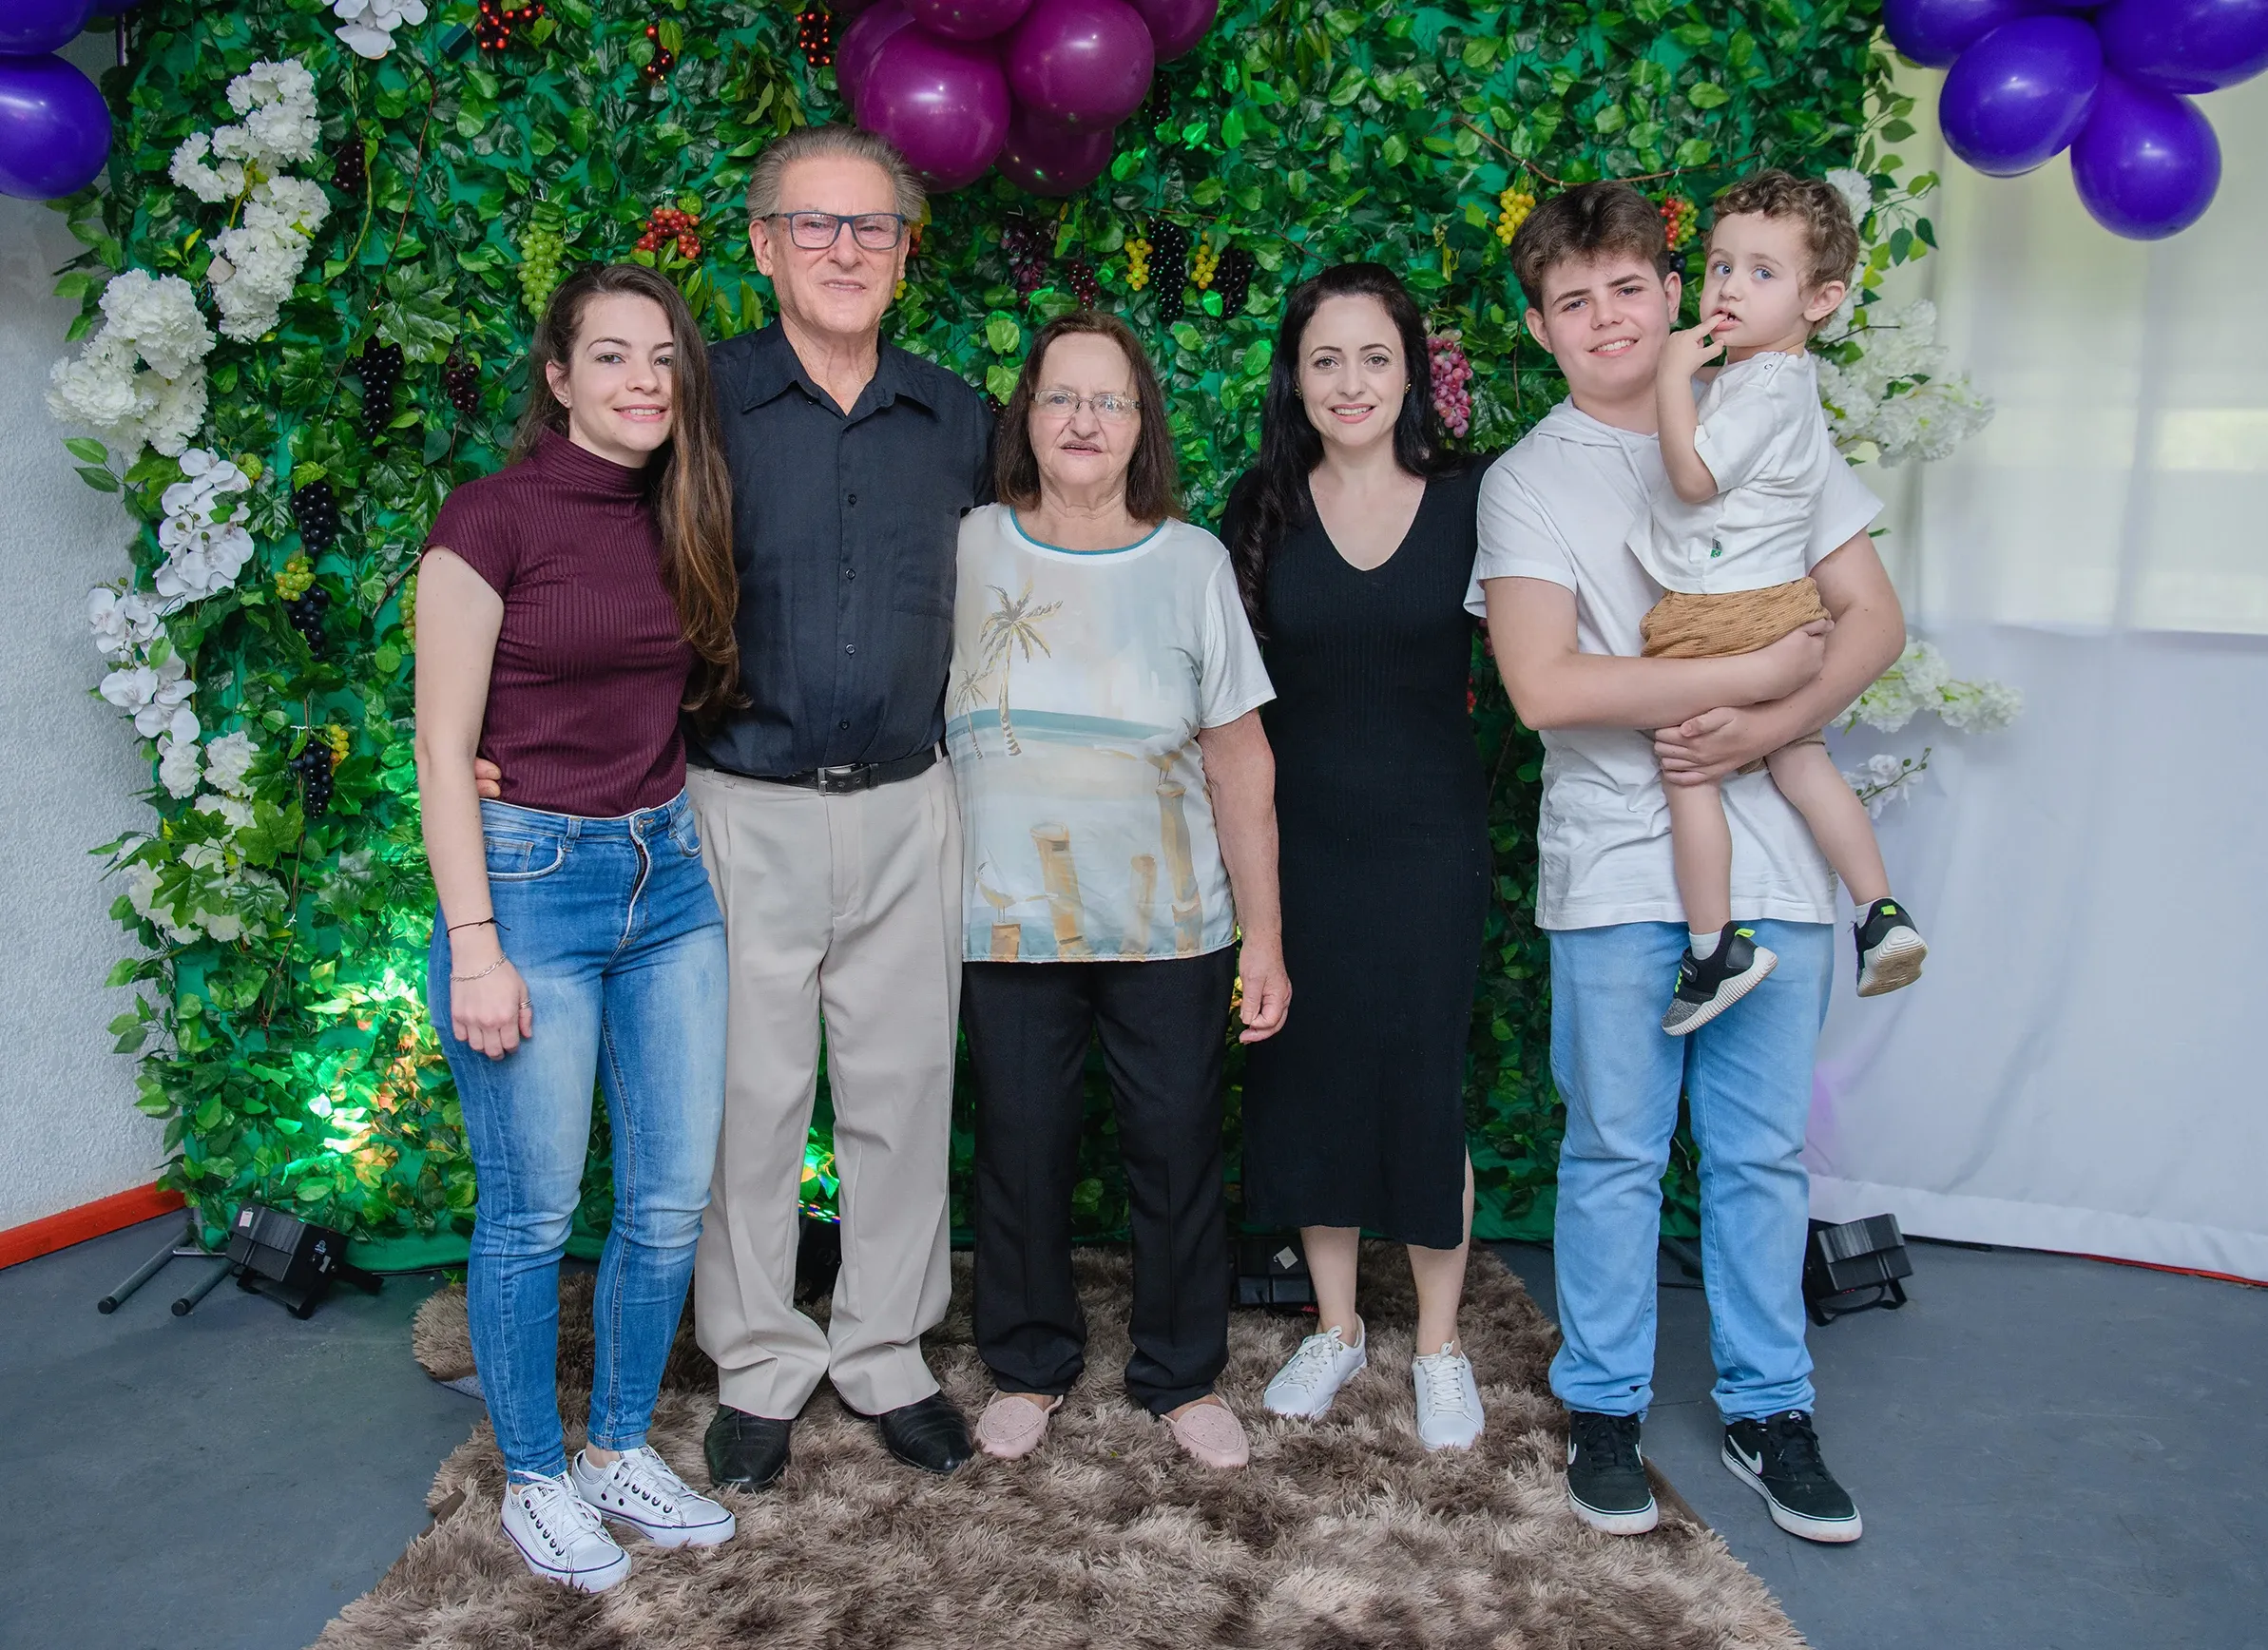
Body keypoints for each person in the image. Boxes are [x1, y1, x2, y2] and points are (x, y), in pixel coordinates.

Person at [1471, 181, 1905, 1545]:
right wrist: (1768, 661)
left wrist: (1766, 718)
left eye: (1626, 287)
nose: (1605, 317)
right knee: (1610, 1149)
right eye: (1570, 299)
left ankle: (1768, 1405)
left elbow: (1872, 626)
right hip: (1612, 868)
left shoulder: (1773, 421)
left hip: (1772, 865)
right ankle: (1602, 1404)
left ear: (1678, 296)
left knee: (1760, 1156)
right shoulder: (1529, 478)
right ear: (1541, 328)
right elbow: (1544, 688)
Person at [416, 263, 741, 1591]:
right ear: (557, 376)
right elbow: (443, 746)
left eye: (661, 358)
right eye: (611, 357)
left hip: (667, 881)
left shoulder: (687, 511)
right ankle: (534, 1478)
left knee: (666, 1207)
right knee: (532, 1215)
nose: (642, 382)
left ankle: (616, 1451)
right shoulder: (487, 520)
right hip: (527, 884)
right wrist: (477, 943)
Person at [684, 126, 994, 1487]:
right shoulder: (698, 401)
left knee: (901, 1089)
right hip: (737, 799)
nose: (845, 250)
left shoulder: (959, 416)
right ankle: (756, 1362)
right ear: (760, 246)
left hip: (909, 802)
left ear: (905, 254)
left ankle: (883, 1351)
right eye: (814, 226)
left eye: (872, 228)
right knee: (749, 1100)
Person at [949, 313, 1289, 1471]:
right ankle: (1029, 1362)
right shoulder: (970, 548)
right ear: (1026, 418)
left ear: (1141, 425)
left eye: (1110, 401)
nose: (1084, 421)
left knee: (1178, 1147)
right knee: (1021, 1148)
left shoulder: (1190, 561)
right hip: (1006, 919)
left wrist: (1266, 937)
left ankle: (1179, 1371)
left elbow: (1240, 756)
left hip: (1173, 924)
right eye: (1060, 398)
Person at [1220, 263, 1491, 1450]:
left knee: (1423, 1083)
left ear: (1412, 370)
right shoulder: (1259, 507)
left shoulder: (1479, 500)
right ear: (1296, 374)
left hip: (1433, 842)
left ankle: (1438, 1342)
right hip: (1301, 845)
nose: (1349, 381)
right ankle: (1337, 1326)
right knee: (1310, 1079)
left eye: (1373, 356)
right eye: (1324, 358)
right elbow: (1229, 712)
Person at [1632, 170, 1928, 1034]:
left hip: (1714, 613)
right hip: (1785, 605)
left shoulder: (1759, 388)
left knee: (1688, 769)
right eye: (1722, 265)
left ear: (1822, 300)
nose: (1729, 288)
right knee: (1801, 759)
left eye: (1763, 273)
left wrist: (1671, 375)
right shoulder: (1788, 386)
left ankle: (1714, 944)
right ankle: (1879, 914)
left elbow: (1691, 481)